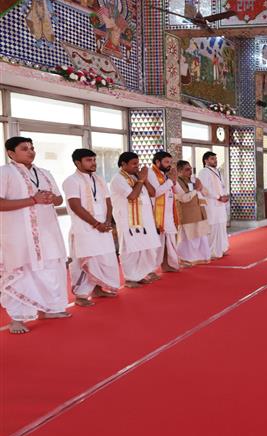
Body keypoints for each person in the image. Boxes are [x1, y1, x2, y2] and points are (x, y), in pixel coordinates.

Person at [0, 137, 70, 334]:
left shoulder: (44, 173)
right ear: (11, 153)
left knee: (50, 269)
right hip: (18, 236)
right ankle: (17, 318)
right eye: (24, 149)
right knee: (22, 274)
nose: (31, 151)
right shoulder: (4, 172)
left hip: (47, 233)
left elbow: (59, 199)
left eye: (32, 148)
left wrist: (51, 198)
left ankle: (49, 309)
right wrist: (32, 200)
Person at [62, 148, 121, 307]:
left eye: (94, 160)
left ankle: (97, 289)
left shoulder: (100, 179)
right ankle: (81, 296)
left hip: (103, 227)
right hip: (84, 229)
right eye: (89, 160)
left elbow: (108, 202)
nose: (93, 163)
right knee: (84, 261)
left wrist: (108, 221)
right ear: (77, 162)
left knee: (104, 259)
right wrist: (96, 224)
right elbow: (75, 205)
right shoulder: (71, 181)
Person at [109, 152, 161, 287]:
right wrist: (141, 180)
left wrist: (145, 180)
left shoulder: (137, 177)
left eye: (137, 163)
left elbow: (152, 193)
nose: (137, 167)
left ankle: (140, 274)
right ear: (123, 164)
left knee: (146, 248)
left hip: (144, 219)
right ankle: (130, 278)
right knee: (130, 249)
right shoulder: (118, 179)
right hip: (127, 220)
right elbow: (132, 196)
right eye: (133, 164)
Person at [147, 150, 180, 272]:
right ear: (157, 161)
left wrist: (174, 179)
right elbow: (156, 192)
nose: (169, 165)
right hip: (157, 214)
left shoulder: (165, 174)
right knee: (157, 243)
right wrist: (170, 181)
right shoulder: (151, 173)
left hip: (169, 214)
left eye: (170, 162)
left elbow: (177, 192)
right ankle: (151, 269)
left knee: (168, 241)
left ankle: (167, 264)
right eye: (166, 162)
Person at [175, 160, 211, 267]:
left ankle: (202, 257)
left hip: (199, 212)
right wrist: (196, 189)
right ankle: (186, 259)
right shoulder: (177, 182)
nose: (190, 171)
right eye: (187, 169)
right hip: (187, 214)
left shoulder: (194, 180)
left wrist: (200, 187)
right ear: (179, 171)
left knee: (201, 237)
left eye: (191, 169)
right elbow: (184, 198)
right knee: (189, 238)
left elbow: (206, 193)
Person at [197, 151, 229, 259]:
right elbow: (205, 189)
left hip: (220, 204)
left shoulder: (217, 171)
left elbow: (223, 186)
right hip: (211, 204)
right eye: (212, 159)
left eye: (215, 158)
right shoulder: (204, 172)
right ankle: (211, 252)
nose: (215, 160)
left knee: (221, 227)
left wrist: (225, 196)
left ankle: (221, 248)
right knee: (213, 228)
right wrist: (218, 197)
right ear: (206, 160)